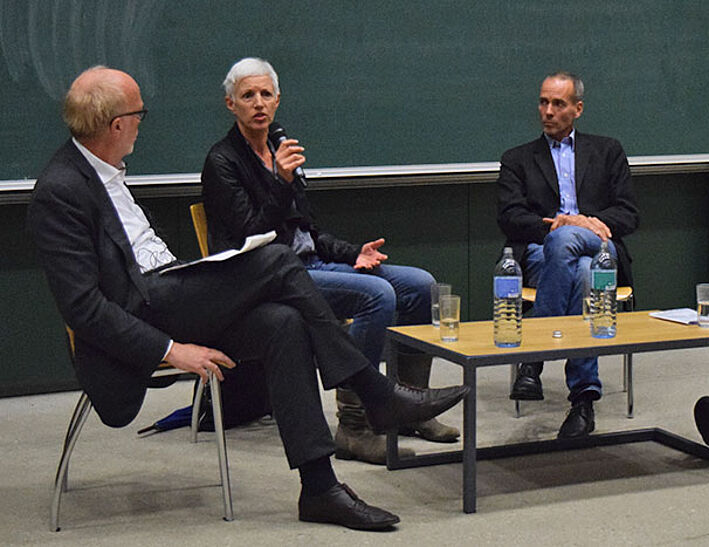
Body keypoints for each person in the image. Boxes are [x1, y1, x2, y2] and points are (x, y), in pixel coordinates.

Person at [27, 66, 468, 530]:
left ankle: (320, 489)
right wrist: (171, 350)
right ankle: (374, 393)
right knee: (277, 260)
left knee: (284, 324)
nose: (142, 122)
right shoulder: (61, 191)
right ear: (116, 125)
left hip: (169, 288)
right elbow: (83, 308)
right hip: (144, 313)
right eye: (139, 114)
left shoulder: (107, 172)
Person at [200, 58, 458, 466]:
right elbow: (254, 236)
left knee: (419, 284)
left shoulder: (280, 149)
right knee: (376, 296)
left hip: (310, 265)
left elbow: (309, 233)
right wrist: (281, 183)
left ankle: (409, 410)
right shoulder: (222, 162)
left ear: (278, 100)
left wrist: (353, 252)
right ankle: (354, 426)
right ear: (230, 104)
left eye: (266, 94)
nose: (258, 103)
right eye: (248, 95)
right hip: (265, 276)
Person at [496, 71, 638, 438]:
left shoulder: (608, 151)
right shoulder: (517, 159)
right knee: (585, 273)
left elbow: (629, 212)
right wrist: (558, 226)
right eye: (543, 102)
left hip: (599, 241)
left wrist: (585, 223)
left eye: (558, 104)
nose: (547, 111)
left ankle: (532, 362)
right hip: (544, 250)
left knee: (573, 247)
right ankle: (584, 399)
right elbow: (509, 216)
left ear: (578, 109)